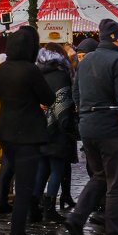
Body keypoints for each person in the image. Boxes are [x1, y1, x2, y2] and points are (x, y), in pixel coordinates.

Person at [66, 18, 118, 235]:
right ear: (115, 38)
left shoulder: (86, 61)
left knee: (99, 176)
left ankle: (77, 217)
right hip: (112, 127)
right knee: (116, 183)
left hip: (88, 126)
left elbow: (76, 93)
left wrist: (84, 115)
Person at [0, 27, 56, 235]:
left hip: (6, 131)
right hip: (27, 133)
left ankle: (25, 226)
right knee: (23, 189)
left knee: (16, 179)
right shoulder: (31, 70)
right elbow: (48, 98)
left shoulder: (4, 68)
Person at [34, 43, 77, 224]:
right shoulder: (62, 76)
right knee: (57, 169)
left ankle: (33, 206)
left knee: (43, 168)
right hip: (57, 131)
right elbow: (63, 107)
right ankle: (50, 208)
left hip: (40, 128)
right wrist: (72, 129)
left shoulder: (38, 74)